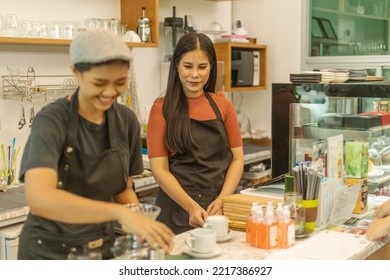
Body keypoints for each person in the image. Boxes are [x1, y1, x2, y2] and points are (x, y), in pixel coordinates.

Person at [17, 29, 174, 260]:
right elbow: (39, 198)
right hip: (49, 253)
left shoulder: (126, 121)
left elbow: (122, 189)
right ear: (76, 72)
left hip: (100, 249)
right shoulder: (52, 121)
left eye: (120, 82)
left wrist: (142, 220)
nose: (110, 92)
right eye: (99, 82)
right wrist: (119, 213)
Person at [147, 32, 244, 234]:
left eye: (202, 67)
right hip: (177, 209)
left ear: (211, 67)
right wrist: (191, 206)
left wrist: (223, 199)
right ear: (176, 65)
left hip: (218, 208)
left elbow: (237, 159)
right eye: (188, 66)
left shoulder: (224, 106)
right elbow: (159, 170)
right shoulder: (161, 108)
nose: (195, 75)